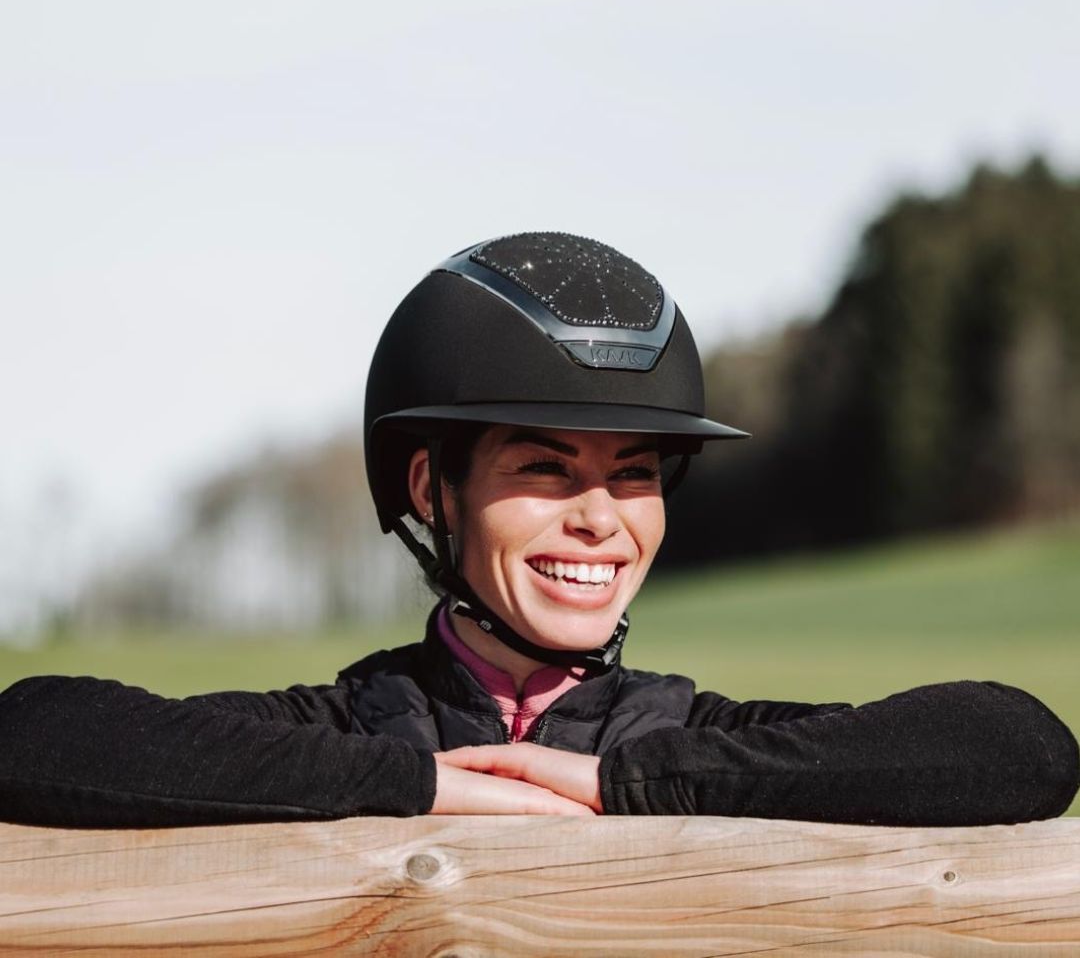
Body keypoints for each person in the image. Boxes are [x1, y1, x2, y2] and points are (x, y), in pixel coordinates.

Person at [1, 232, 1077, 827]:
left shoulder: (697, 738)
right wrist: (413, 785)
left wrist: (635, 784)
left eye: (636, 474)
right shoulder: (337, 730)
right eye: (544, 468)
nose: (601, 518)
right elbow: (33, 730)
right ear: (432, 488)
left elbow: (1020, 745)